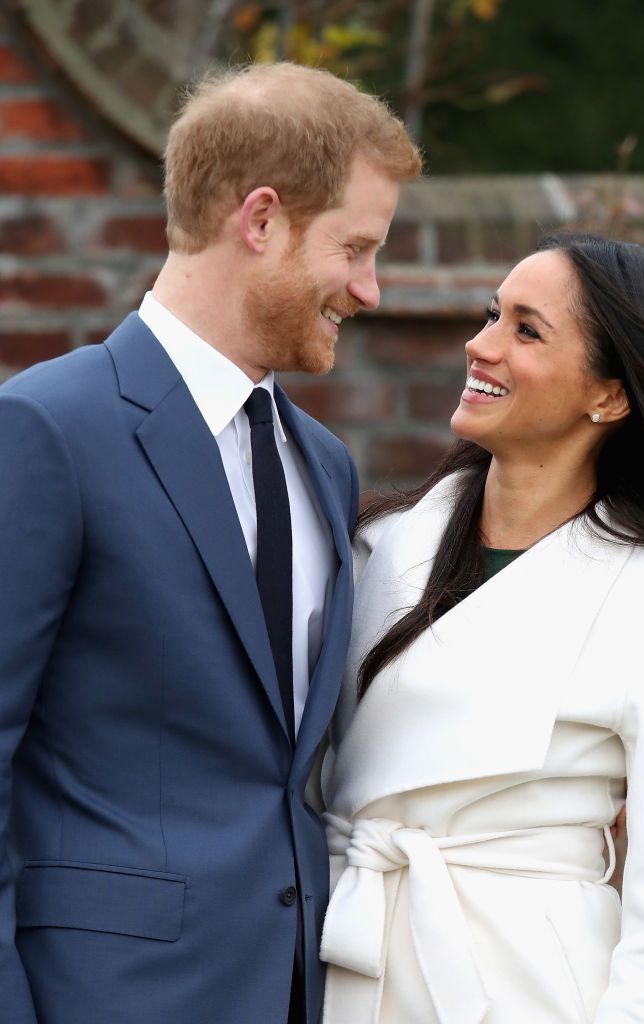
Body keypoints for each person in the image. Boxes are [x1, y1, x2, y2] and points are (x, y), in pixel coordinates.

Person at [0, 62, 420, 1024]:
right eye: (355, 249)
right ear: (260, 219)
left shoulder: (325, 466)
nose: (371, 289)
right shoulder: (46, 431)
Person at [318, 233, 644, 1024]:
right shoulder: (377, 546)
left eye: (526, 330)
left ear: (609, 396)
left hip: (526, 986)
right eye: (491, 314)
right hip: (338, 954)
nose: (480, 345)